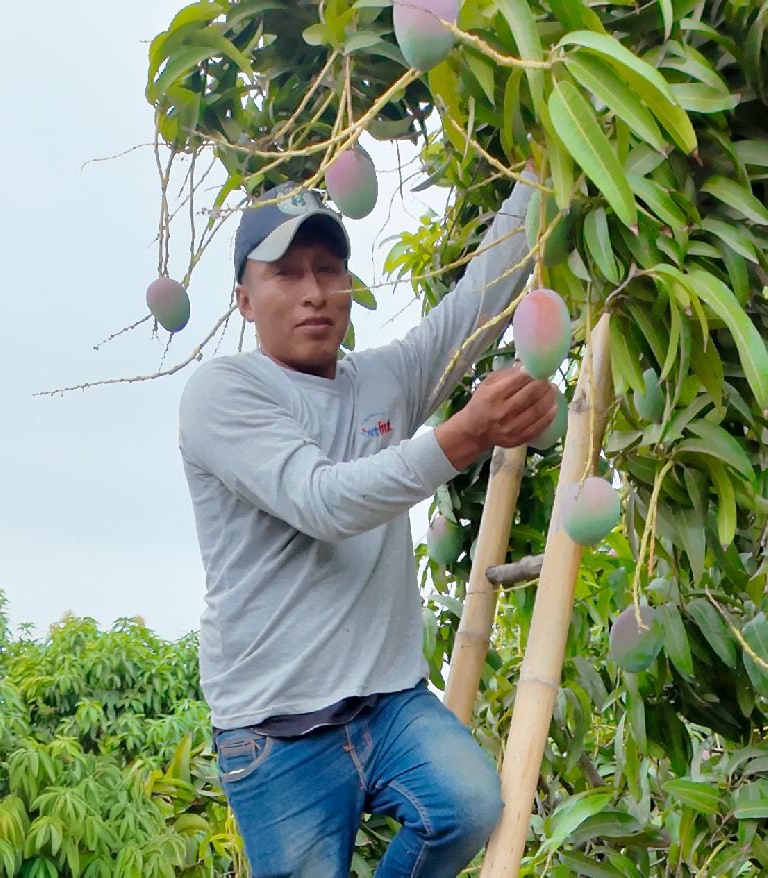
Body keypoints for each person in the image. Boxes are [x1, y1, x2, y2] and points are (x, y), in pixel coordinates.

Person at [177, 167, 557, 878]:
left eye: (329, 269)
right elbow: (324, 502)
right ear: (244, 300)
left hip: (387, 705)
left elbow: (475, 303)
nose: (315, 291)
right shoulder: (223, 394)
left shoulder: (383, 379)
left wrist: (544, 160)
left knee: (470, 804)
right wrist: (466, 437)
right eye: (286, 274)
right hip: (276, 734)